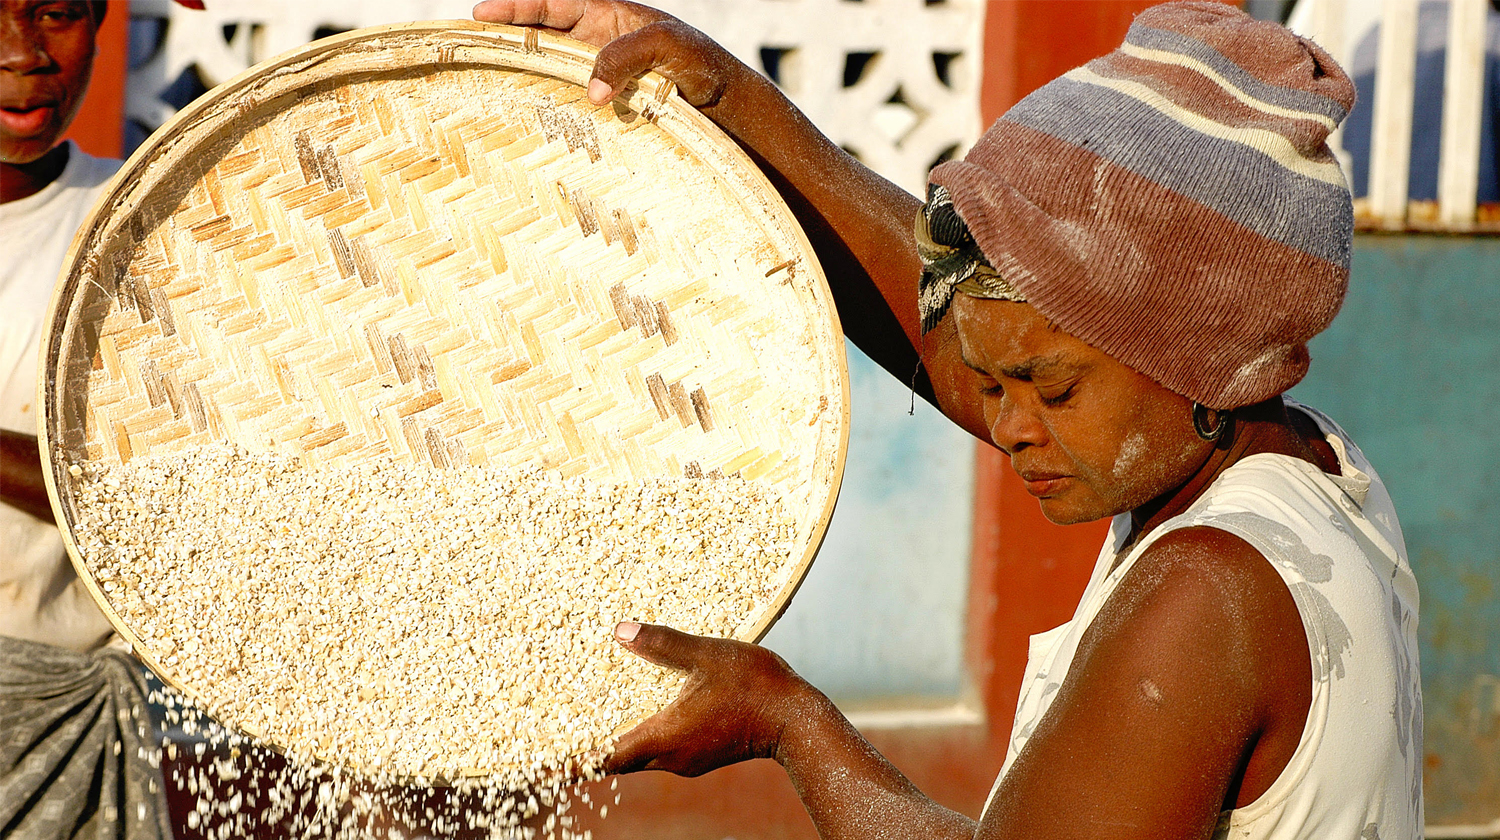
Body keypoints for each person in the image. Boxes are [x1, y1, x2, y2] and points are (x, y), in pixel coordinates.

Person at [471, 1, 1423, 838]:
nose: (1005, 426)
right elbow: (947, 331)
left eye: (1051, 391)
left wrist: (788, 722)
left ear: (1204, 363)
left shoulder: (1205, 594)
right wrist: (721, 94)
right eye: (991, 382)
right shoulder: (1301, 466)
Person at [0, 3, 172, 837]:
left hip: (58, 732)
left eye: (57, 13)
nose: (22, 54)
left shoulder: (138, 223)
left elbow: (158, 503)